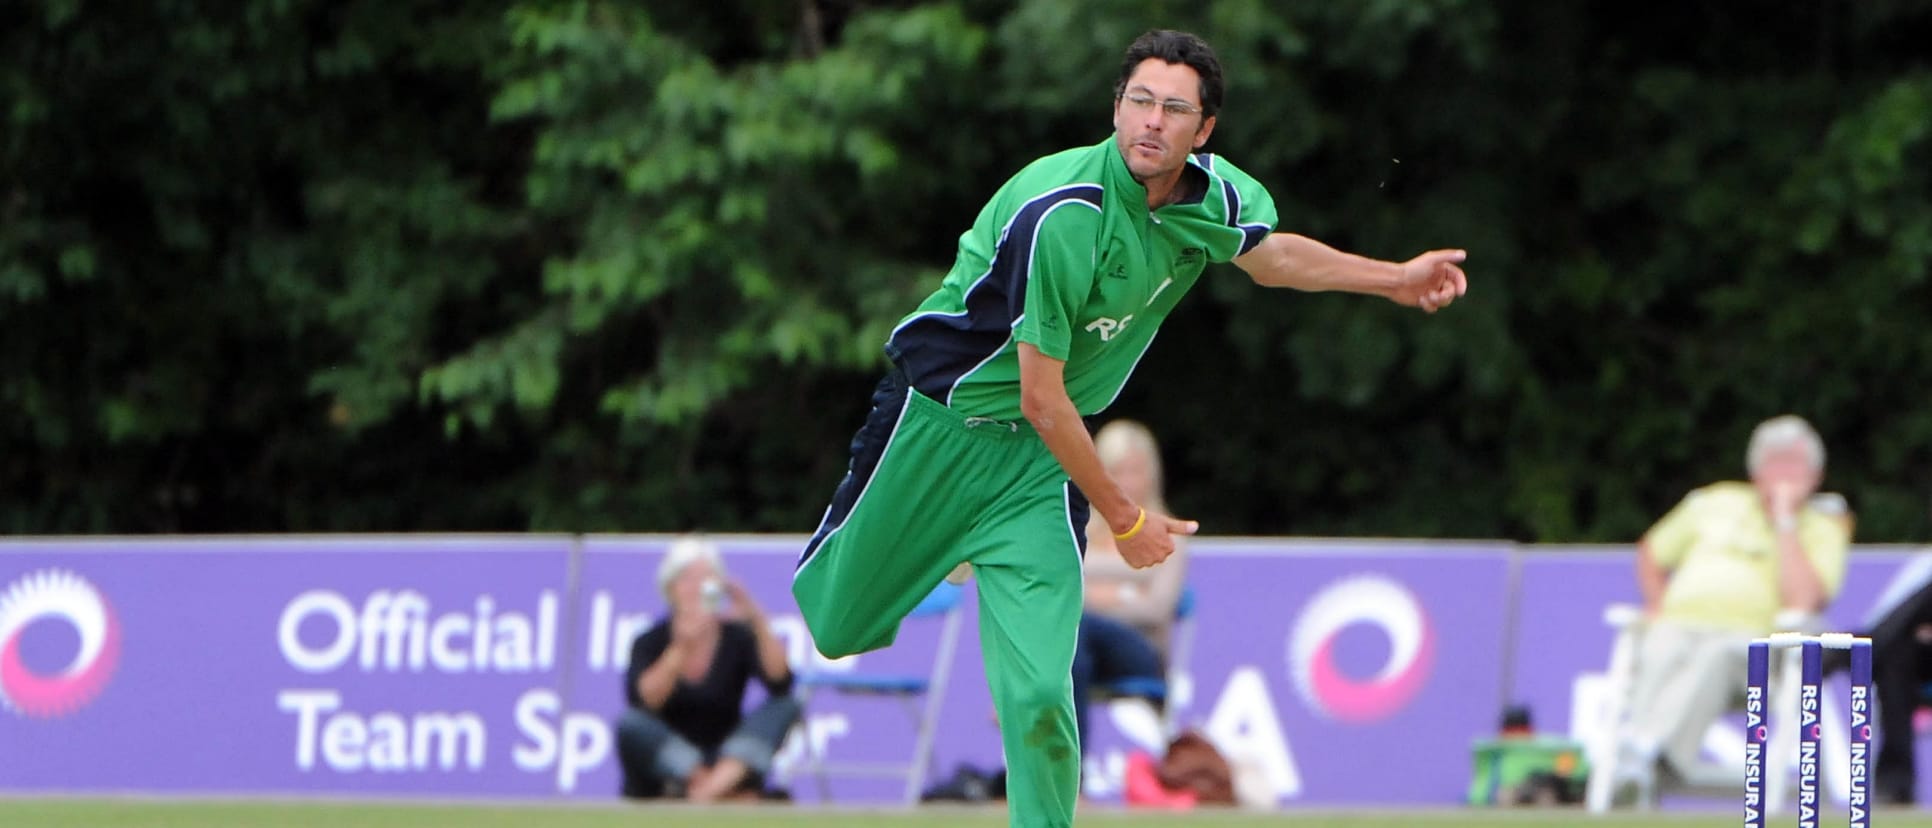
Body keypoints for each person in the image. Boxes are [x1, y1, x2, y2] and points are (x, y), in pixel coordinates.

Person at [791, 29, 1468, 828]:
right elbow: (1045, 396)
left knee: (1044, 696)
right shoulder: (1062, 213)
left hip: (1036, 473)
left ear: (1203, 130)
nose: (1152, 121)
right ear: (1115, 108)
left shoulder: (1210, 200)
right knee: (838, 629)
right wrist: (1125, 516)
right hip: (938, 431)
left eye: (1174, 109)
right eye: (1139, 101)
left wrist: (1394, 280)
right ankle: (948, 546)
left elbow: (1271, 255)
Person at [1616, 415, 1852, 790]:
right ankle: (1640, 758)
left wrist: (1785, 520)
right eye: (1775, 462)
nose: (1784, 474)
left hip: (1758, 647)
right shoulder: (1714, 502)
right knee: (1662, 642)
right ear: (1755, 471)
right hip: (1680, 626)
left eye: (1795, 464)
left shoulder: (1823, 528)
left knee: (1718, 653)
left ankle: (1642, 753)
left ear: (1815, 475)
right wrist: (1658, 604)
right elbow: (1652, 552)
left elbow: (1805, 600)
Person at [616, 536, 800, 802]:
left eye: (707, 579)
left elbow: (781, 681)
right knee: (631, 724)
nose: (698, 588)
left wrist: (756, 618)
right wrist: (680, 648)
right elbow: (644, 702)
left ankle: (708, 791)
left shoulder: (736, 636)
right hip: (669, 761)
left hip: (726, 755)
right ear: (671, 588)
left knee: (785, 705)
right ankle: (721, 794)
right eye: (688, 579)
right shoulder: (650, 640)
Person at [1074, 420, 1187, 759]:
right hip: (1079, 648)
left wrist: (1093, 594)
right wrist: (1129, 587)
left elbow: (1155, 608)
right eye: (1116, 471)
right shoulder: (1078, 530)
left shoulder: (1168, 533)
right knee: (1072, 646)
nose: (1126, 482)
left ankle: (1064, 778)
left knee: (1072, 631)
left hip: (1139, 651)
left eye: (1135, 471)